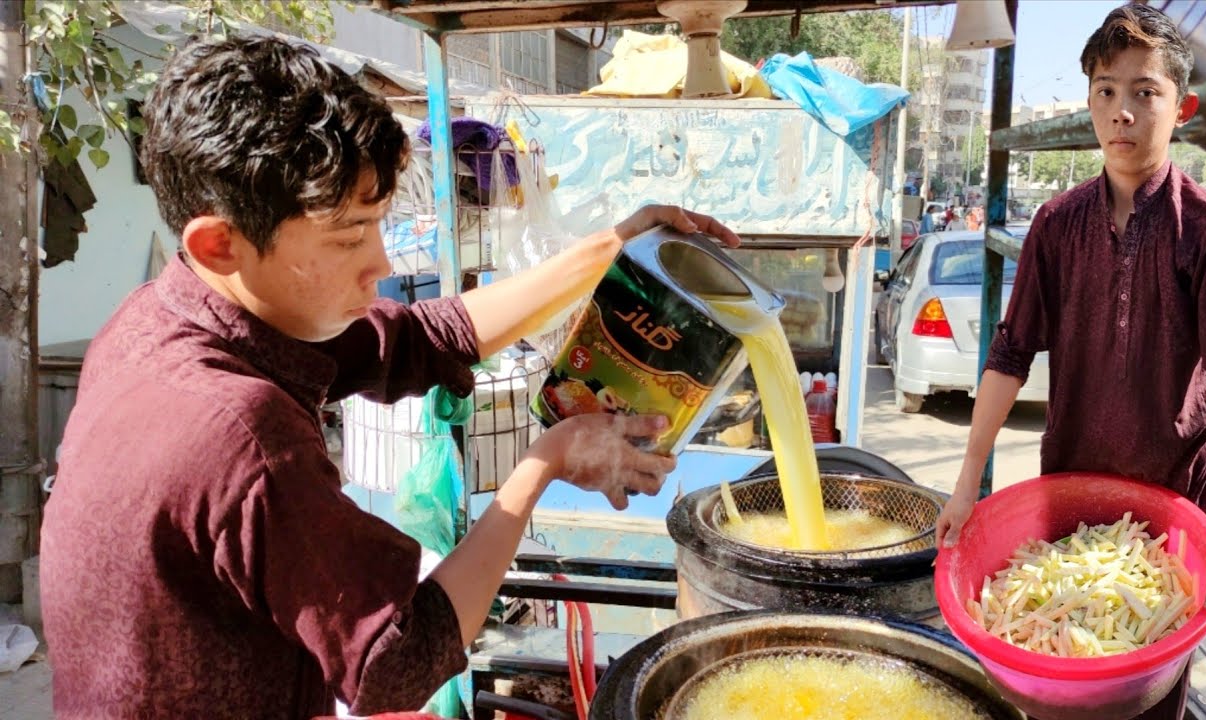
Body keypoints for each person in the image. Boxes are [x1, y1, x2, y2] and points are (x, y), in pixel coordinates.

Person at [39, 37, 741, 719]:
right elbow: (397, 663)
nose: (378, 265)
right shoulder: (243, 436)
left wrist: (609, 247)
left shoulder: (157, 320)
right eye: (347, 237)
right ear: (220, 244)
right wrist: (543, 463)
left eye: (377, 225)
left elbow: (426, 337)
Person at [936, 5, 1206, 718]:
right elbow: (1009, 354)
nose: (1123, 114)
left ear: (1183, 107)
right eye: (1106, 92)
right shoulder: (1056, 223)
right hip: (1069, 504)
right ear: (1088, 102)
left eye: (1146, 93)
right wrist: (965, 486)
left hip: (1173, 514)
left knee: (1151, 698)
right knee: (1058, 680)